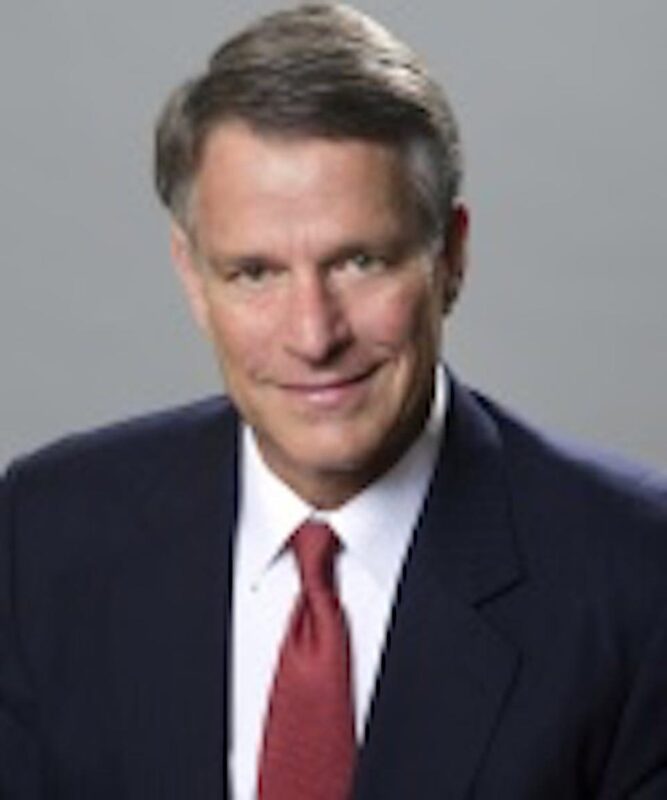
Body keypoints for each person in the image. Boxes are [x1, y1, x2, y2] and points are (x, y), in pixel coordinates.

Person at [1, 3, 666, 798]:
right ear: (192, 278)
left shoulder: (636, 575)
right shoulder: (44, 536)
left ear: (449, 257)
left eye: (359, 261)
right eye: (255, 272)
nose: (313, 335)